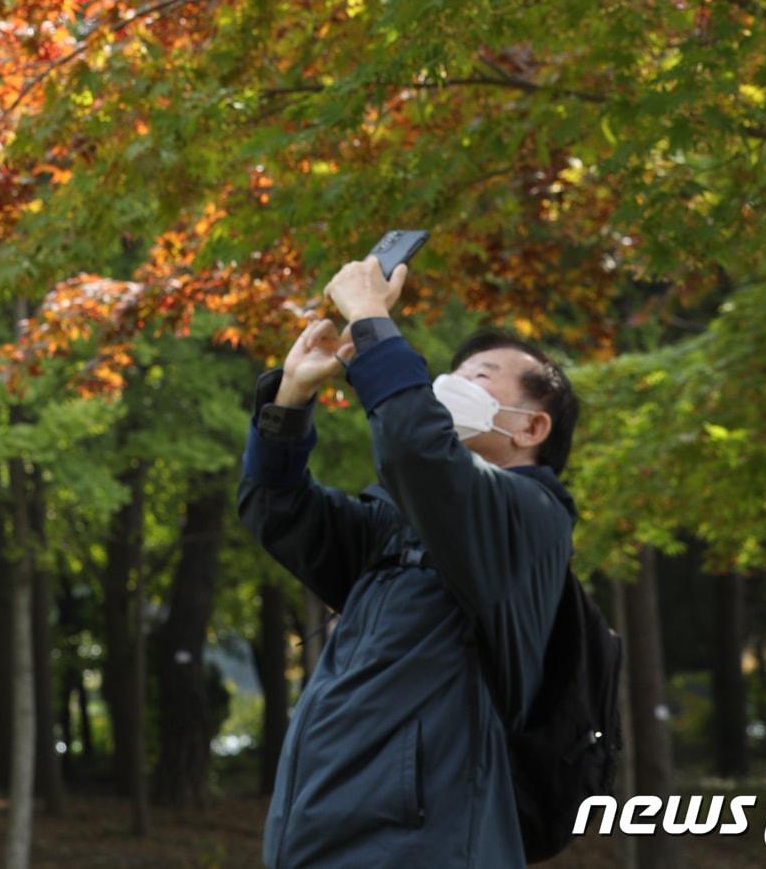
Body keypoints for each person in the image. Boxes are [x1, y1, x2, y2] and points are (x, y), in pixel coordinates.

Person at [238, 253, 581, 869]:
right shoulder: (397, 530)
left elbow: (418, 453)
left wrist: (371, 319)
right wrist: (290, 396)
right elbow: (274, 508)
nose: (448, 387)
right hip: (320, 838)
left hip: (421, 846)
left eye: (478, 377)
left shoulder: (530, 520)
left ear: (531, 426)